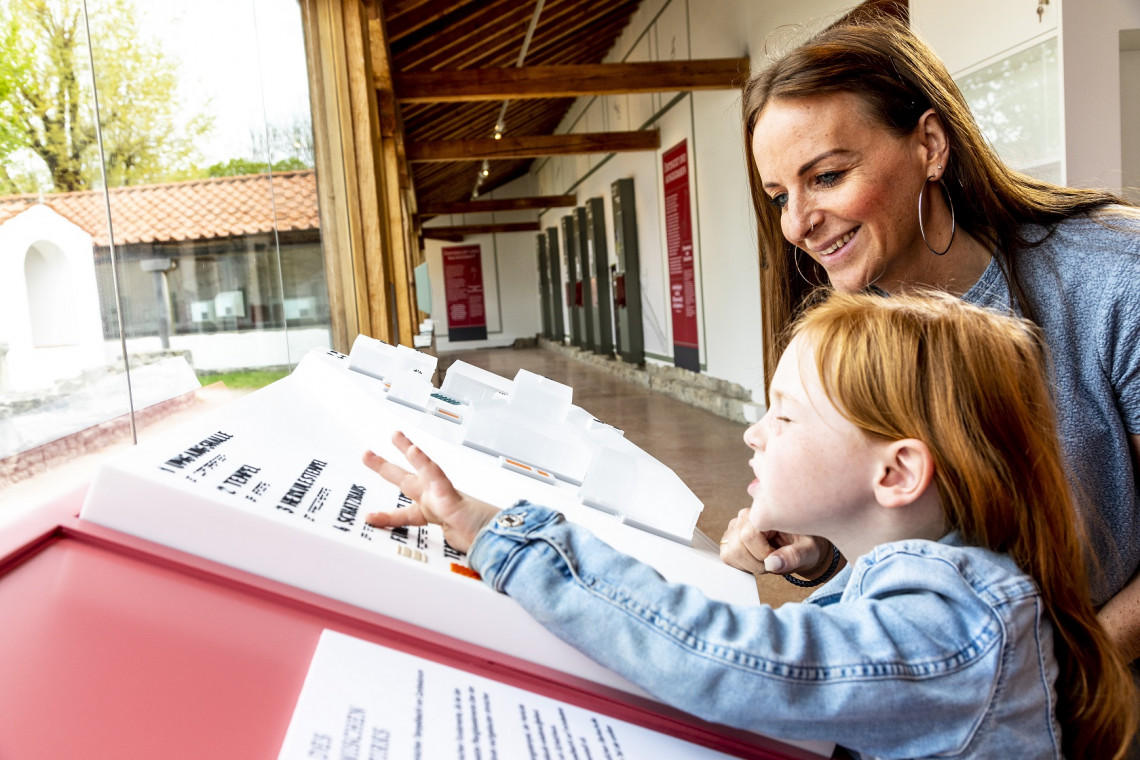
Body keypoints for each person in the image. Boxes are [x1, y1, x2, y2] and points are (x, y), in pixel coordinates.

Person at [364, 291, 1136, 759]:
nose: (753, 433)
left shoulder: (954, 625)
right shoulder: (941, 583)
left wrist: (504, 535)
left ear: (895, 474)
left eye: (785, 415)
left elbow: (741, 664)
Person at [722, 10, 1140, 667]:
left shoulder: (1115, 276)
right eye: (779, 196)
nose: (796, 224)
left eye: (826, 176)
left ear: (930, 146)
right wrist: (816, 544)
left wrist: (1069, 678)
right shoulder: (843, 330)